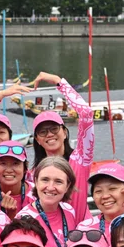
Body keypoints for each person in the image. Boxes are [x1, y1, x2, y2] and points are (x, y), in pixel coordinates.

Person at [29, 72, 94, 217]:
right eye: (43, 132)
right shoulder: (33, 173)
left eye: (54, 129)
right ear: (38, 140)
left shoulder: (80, 160)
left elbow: (87, 113)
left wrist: (59, 82)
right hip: (50, 234)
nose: (50, 134)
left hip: (80, 235)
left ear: (64, 132)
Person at [16, 156, 78, 247]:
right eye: (45, 180)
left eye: (58, 182)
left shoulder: (69, 211)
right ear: (36, 182)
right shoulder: (24, 220)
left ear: (68, 186)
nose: (50, 187)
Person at [0, 144, 36, 220]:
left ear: (25, 169)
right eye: (3, 163)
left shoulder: (37, 193)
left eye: (15, 164)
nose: (9, 170)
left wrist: (13, 215)